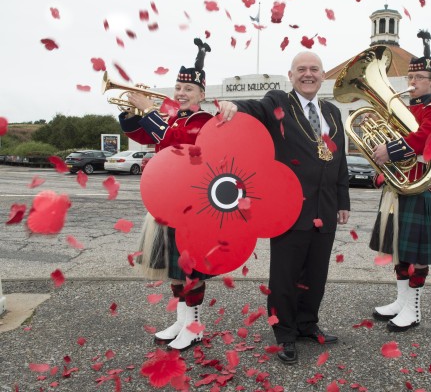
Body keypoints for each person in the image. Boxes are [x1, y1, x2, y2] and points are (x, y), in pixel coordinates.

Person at [218, 51, 351, 365]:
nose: (308, 74)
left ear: (322, 76)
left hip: (326, 207)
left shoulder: (332, 111)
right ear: (291, 76)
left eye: (314, 69)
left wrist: (342, 200)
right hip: (289, 208)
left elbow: (340, 160)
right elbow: (256, 108)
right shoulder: (279, 102)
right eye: (301, 69)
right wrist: (234, 106)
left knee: (316, 274)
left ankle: (307, 323)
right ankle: (285, 334)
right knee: (285, 277)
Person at [117, 38, 213, 351]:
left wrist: (149, 109)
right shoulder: (173, 118)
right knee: (173, 271)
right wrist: (130, 110)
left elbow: (174, 141)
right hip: (167, 203)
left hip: (192, 207)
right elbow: (143, 134)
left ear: (202, 94)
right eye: (178, 89)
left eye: (188, 90)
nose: (181, 93)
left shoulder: (204, 121)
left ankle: (195, 327)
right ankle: (183, 322)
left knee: (190, 271)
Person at [369, 31, 431, 332]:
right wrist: (381, 170)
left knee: (415, 255)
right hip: (395, 187)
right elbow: (387, 137)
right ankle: (401, 301)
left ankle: (413, 310)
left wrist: (389, 150)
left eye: (420, 77)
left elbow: (425, 138)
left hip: (418, 187)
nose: (413, 82)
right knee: (398, 250)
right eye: (411, 76)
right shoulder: (401, 109)